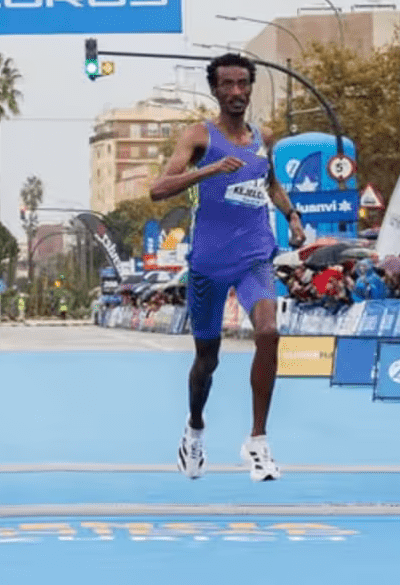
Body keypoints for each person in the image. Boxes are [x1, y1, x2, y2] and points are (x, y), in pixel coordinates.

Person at [149, 53, 305, 482]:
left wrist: (292, 216)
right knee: (207, 359)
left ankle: (257, 441)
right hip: (209, 262)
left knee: (269, 332)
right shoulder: (199, 136)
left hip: (255, 255)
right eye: (228, 85)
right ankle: (195, 428)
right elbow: (158, 189)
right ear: (215, 90)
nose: (236, 92)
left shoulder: (263, 137)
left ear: (251, 88)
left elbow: (269, 181)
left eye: (243, 84)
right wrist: (210, 169)